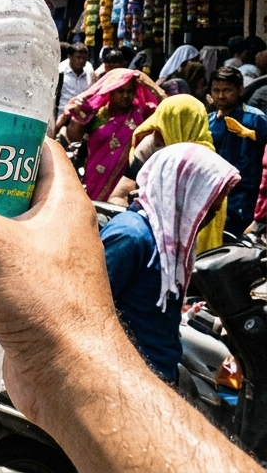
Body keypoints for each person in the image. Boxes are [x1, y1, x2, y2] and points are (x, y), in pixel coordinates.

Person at [0, 137, 261, 473]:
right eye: (210, 198)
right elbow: (81, 305)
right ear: (182, 190)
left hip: (151, 378)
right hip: (112, 389)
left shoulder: (168, 241)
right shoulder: (133, 236)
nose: (214, 209)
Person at [104, 144, 239, 383]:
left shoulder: (170, 245)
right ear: (180, 195)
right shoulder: (132, 236)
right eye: (205, 209)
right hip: (125, 379)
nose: (206, 220)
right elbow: (88, 308)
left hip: (158, 374)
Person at [106, 97, 226, 254]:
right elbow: (118, 195)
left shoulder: (206, 165)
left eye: (166, 124)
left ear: (183, 126)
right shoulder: (151, 144)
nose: (156, 134)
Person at [59, 68, 164, 202]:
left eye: (130, 91)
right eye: (120, 91)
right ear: (111, 92)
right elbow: (74, 137)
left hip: (122, 182)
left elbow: (167, 107)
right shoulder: (98, 112)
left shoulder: (141, 112)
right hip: (92, 176)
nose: (125, 96)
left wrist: (149, 83)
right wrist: (77, 115)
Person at [206, 66, 267, 237]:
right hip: (214, 198)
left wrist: (253, 135)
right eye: (216, 90)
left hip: (246, 199)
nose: (221, 96)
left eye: (227, 90)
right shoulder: (209, 121)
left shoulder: (255, 118)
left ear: (240, 90)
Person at [57, 42, 94, 114]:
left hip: (82, 114)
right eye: (78, 57)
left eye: (84, 58)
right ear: (70, 57)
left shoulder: (89, 69)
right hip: (62, 113)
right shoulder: (60, 70)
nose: (81, 61)